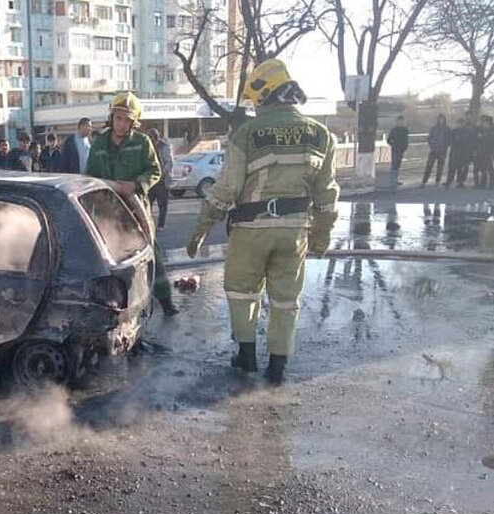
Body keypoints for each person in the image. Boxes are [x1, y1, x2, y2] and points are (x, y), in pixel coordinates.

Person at [185, 59, 339, 385]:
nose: (254, 107)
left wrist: (201, 228)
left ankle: (246, 358)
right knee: (286, 299)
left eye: (255, 101)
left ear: (265, 95)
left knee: (242, 292)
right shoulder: (321, 134)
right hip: (295, 231)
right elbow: (326, 193)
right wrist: (322, 234)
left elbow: (226, 189)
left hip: (251, 229)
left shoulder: (247, 133)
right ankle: (278, 365)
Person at [87, 91, 178, 317]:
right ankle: (120, 305)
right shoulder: (99, 143)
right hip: (107, 211)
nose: (121, 124)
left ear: (133, 122)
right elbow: (90, 175)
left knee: (150, 252)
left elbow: (155, 171)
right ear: (112, 118)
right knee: (112, 257)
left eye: (126, 119)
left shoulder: (142, 142)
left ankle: (166, 300)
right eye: (118, 118)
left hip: (135, 210)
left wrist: (137, 184)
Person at [147, 128, 174, 229]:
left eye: (152, 140)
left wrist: (163, 173)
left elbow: (169, 162)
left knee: (162, 204)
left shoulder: (165, 147)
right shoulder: (147, 147)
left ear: (156, 139)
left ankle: (160, 225)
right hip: (150, 179)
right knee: (147, 203)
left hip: (162, 180)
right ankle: (148, 224)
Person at [421, 114, 451, 187]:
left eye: (442, 119)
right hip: (433, 150)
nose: (441, 120)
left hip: (442, 151)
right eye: (440, 119)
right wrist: (431, 145)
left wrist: (446, 146)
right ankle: (424, 181)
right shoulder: (434, 128)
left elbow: (449, 139)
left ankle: (437, 181)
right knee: (429, 166)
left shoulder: (447, 129)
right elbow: (429, 138)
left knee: (440, 167)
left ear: (444, 120)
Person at [446, 117, 475, 189]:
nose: (460, 124)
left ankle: (460, 182)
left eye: (461, 123)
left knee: (461, 168)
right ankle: (449, 181)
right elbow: (450, 141)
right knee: (452, 168)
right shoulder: (454, 131)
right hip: (455, 152)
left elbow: (469, 142)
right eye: (458, 123)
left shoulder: (467, 131)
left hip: (463, 152)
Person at [475, 115, 494, 189]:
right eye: (482, 122)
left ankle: (492, 184)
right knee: (483, 168)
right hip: (481, 151)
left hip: (489, 152)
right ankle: (483, 184)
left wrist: (492, 152)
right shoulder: (481, 131)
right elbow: (478, 141)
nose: (483, 124)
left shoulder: (492, 131)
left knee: (490, 168)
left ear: (488, 123)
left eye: (484, 122)